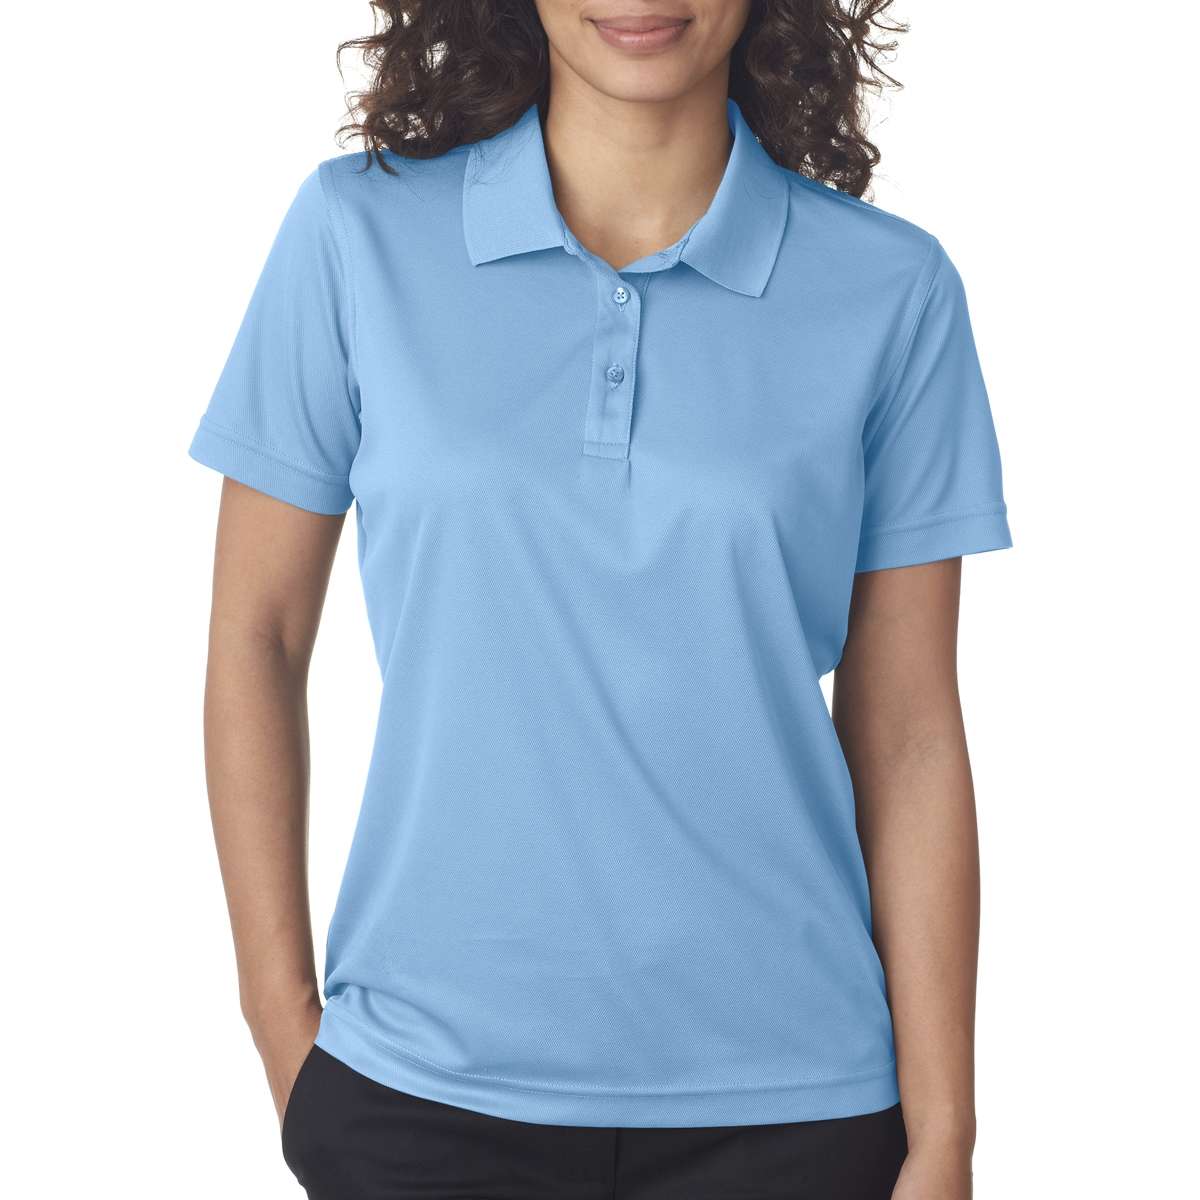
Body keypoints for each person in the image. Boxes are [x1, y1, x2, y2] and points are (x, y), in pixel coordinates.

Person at [188, 2, 1011, 1197]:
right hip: (419, 1096)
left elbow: (909, 732)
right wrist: (284, 1030)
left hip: (794, 1108)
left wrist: (944, 1137)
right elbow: (255, 636)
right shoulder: (356, 236)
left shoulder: (892, 291)